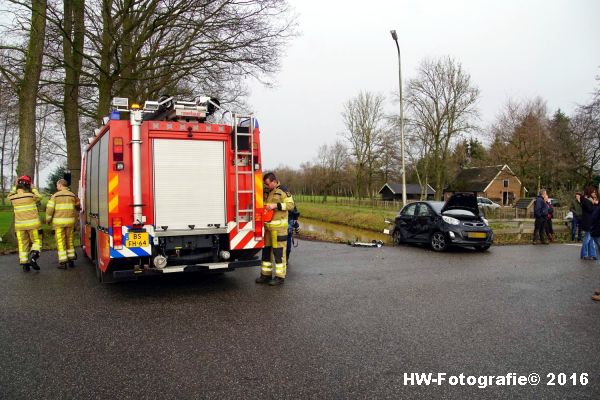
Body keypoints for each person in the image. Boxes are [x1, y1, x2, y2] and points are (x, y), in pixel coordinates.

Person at [256, 172, 295, 286]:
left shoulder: (283, 190)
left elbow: (291, 205)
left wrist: (275, 206)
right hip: (267, 228)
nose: (266, 186)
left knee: (278, 253)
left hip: (279, 229)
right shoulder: (266, 191)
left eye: (268, 184)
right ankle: (265, 275)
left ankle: (279, 277)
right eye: (265, 184)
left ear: (274, 181)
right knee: (266, 252)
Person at [8, 176, 42, 272]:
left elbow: (9, 195)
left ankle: (24, 263)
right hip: (33, 225)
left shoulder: (12, 198)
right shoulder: (31, 196)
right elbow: (40, 197)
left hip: (19, 226)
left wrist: (15, 186)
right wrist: (34, 188)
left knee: (23, 244)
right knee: (36, 241)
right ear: (27, 186)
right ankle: (33, 256)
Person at [46, 179, 80, 269]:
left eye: (57, 185)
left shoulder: (55, 196)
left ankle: (63, 261)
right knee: (69, 240)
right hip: (70, 222)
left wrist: (48, 220)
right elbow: (78, 206)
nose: (57, 187)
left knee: (61, 242)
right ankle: (71, 260)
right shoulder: (73, 195)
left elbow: (49, 210)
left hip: (59, 223)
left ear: (61, 185)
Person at [580, 186, 597, 260]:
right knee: (587, 238)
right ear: (590, 192)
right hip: (588, 222)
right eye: (593, 192)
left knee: (591, 239)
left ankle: (592, 254)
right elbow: (591, 210)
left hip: (591, 222)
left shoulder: (589, 200)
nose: (595, 193)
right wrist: (594, 204)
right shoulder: (586, 201)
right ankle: (583, 254)